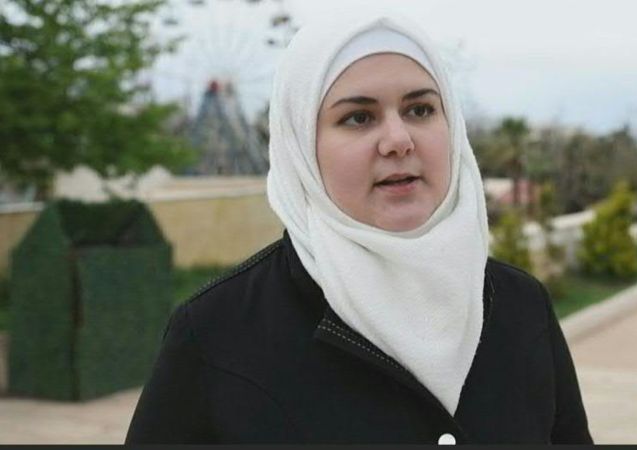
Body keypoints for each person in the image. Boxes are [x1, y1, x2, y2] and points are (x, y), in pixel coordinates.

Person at [125, 12, 592, 444]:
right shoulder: (215, 334)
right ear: (301, 148)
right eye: (358, 117)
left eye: (420, 109)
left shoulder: (521, 306)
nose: (398, 140)